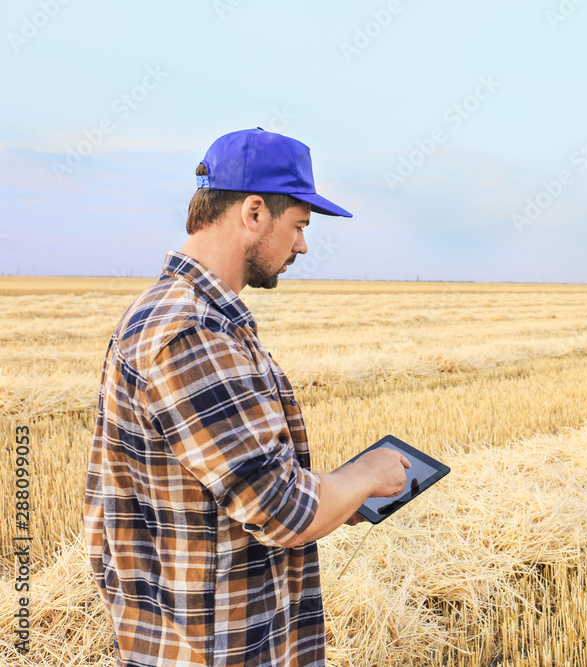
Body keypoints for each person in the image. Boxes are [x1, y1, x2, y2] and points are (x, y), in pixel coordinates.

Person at [83, 128, 410, 667]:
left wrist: (338, 499)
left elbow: (246, 485)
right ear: (254, 213)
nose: (303, 245)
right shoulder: (191, 333)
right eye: (300, 226)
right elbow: (280, 510)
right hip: (211, 649)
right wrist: (368, 475)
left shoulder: (194, 315)